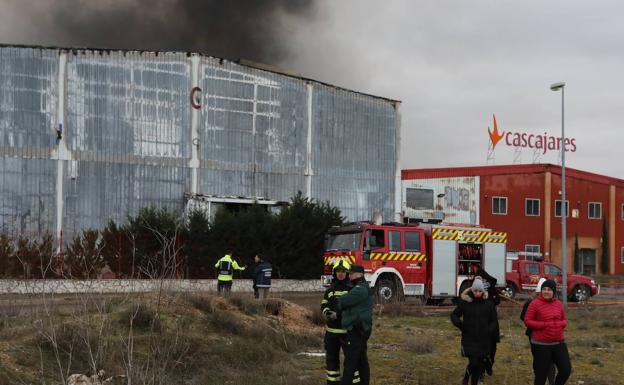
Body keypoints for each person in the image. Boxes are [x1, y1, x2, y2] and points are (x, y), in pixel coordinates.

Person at [524, 279, 572, 385]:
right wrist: (544, 325)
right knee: (541, 376)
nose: (546, 291)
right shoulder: (535, 303)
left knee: (566, 370)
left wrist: (560, 324)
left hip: (558, 343)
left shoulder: (558, 304)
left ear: (554, 292)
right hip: (541, 345)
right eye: (544, 289)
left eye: (549, 289)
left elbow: (564, 320)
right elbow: (527, 321)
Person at [451, 279, 498, 385]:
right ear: (472, 290)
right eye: (475, 291)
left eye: (479, 291)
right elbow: (454, 315)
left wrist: (489, 331)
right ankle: (466, 377)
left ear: (483, 292)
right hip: (469, 339)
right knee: (473, 362)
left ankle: (471, 381)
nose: (477, 293)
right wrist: (461, 325)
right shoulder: (466, 303)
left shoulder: (488, 305)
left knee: (479, 365)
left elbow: (494, 321)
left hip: (483, 340)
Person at [335, 264, 373, 385]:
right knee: (361, 361)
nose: (349, 276)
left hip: (357, 330)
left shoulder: (360, 289)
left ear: (360, 274)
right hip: (360, 329)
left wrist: (341, 302)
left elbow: (343, 301)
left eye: (351, 274)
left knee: (350, 362)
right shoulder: (358, 287)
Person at [320, 260, 354, 385]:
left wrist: (339, 315)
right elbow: (324, 305)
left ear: (347, 273)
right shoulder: (330, 290)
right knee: (331, 360)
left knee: (350, 361)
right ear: (334, 273)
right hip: (331, 333)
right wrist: (327, 312)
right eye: (338, 271)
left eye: (343, 271)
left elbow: (352, 309)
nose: (340, 274)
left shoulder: (351, 289)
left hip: (347, 332)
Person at [521, 278, 556, 385]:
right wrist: (535, 323)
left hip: (551, 336)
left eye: (548, 290)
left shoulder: (554, 303)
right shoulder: (530, 303)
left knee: (550, 360)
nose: (544, 293)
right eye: (542, 291)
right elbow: (523, 317)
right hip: (534, 336)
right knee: (539, 359)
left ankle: (551, 381)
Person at [474, 266, 500, 376]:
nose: (481, 281)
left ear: (486, 279)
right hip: (478, 325)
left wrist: (491, 298)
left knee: (492, 348)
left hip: (491, 324)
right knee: (479, 350)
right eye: (478, 279)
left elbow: (497, 300)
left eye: (482, 279)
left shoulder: (491, 289)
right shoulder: (473, 291)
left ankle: (489, 365)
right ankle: (480, 373)